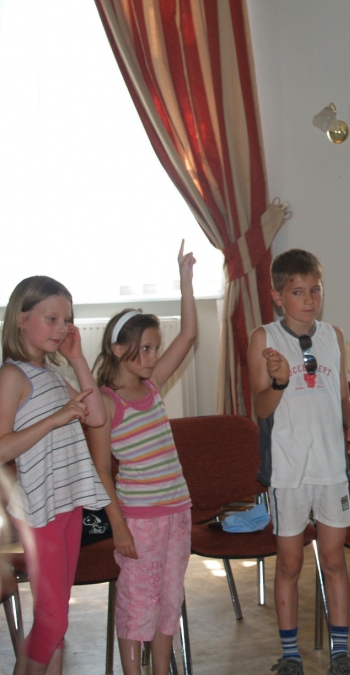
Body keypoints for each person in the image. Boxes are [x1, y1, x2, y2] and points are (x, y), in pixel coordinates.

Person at [248, 249, 350, 675]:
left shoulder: (333, 335)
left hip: (331, 468)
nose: (309, 299)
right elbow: (261, 409)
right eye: (297, 292)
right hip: (288, 470)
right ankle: (290, 655)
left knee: (334, 561)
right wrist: (280, 381)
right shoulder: (264, 338)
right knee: (290, 563)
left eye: (315, 290)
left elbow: (344, 397)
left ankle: (340, 652)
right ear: (278, 296)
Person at [86, 242, 197, 675]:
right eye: (145, 349)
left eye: (155, 349)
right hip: (140, 520)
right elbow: (101, 470)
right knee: (138, 603)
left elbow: (188, 336)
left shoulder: (152, 385)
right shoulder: (106, 402)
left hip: (177, 512)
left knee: (169, 601)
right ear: (119, 349)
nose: (153, 357)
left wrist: (186, 282)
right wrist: (118, 526)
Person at [0, 276, 110, 675]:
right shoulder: (13, 376)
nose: (62, 328)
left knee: (55, 616)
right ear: (20, 319)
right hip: (39, 510)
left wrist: (78, 360)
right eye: (52, 319)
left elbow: (97, 417)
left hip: (68, 503)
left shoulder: (50, 373)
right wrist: (54, 419)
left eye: (67, 320)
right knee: (53, 619)